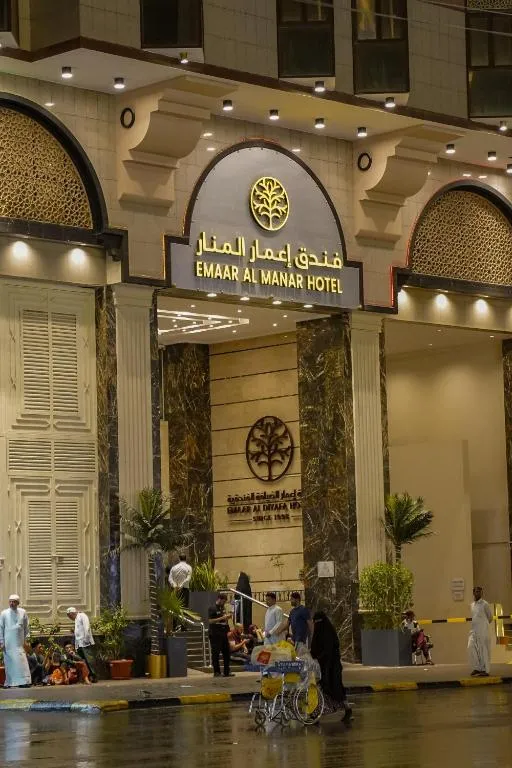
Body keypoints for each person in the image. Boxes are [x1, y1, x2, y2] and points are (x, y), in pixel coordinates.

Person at [310, 611, 352, 723]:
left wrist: (319, 656)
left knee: (336, 688)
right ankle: (316, 714)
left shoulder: (328, 633)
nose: (317, 625)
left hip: (333, 666)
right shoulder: (323, 630)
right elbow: (315, 647)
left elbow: (329, 649)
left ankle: (347, 709)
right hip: (323, 665)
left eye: (318, 622)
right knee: (322, 688)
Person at [0, 595, 31, 688]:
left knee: (22, 662)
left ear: (18, 603)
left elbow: (26, 627)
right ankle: (9, 683)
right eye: (10, 601)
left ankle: (24, 682)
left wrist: (27, 640)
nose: (11, 603)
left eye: (13, 602)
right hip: (8, 643)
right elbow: (1, 628)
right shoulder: (4, 613)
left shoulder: (23, 612)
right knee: (9, 663)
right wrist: (1, 642)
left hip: (19, 643)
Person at [66, 607, 97, 682]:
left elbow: (87, 628)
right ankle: (87, 676)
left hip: (85, 643)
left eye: (69, 616)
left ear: (72, 613)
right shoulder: (76, 619)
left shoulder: (82, 616)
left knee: (89, 660)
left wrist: (86, 640)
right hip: (79, 644)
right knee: (82, 661)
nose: (70, 618)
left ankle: (93, 676)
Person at [208, 593, 235, 678]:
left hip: (224, 633)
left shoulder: (223, 608)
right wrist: (222, 618)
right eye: (223, 601)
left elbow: (225, 620)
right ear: (219, 599)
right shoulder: (212, 608)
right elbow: (210, 621)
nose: (224, 603)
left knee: (226, 652)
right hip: (215, 633)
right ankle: (217, 672)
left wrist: (228, 618)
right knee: (215, 653)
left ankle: (227, 671)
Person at [468, 586, 493, 677]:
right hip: (473, 630)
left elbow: (490, 617)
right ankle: (477, 668)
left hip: (483, 631)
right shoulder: (472, 605)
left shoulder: (485, 604)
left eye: (480, 592)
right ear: (473, 593)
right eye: (477, 591)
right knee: (471, 647)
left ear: (482, 593)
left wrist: (483, 626)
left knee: (484, 650)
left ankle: (486, 670)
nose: (478, 593)